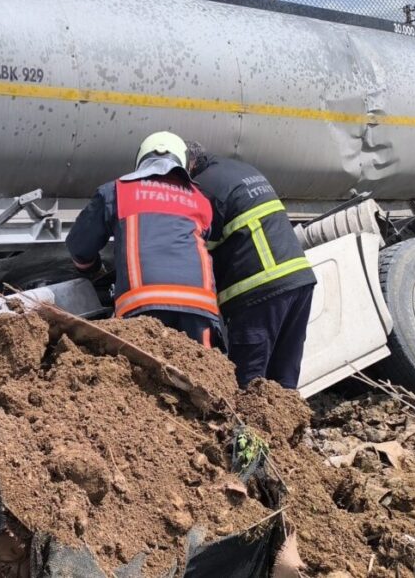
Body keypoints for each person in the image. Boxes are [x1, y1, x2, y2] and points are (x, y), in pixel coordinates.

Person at [66, 131, 220, 347]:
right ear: (182, 162)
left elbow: (79, 245)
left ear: (141, 159)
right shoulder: (200, 199)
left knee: (139, 376)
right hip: (200, 307)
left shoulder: (116, 191)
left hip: (142, 303)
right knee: (199, 372)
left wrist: (89, 268)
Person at [189, 143, 317, 389]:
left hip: (260, 289)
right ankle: (287, 425)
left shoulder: (205, 186)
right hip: (299, 277)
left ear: (189, 165)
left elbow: (198, 244)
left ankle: (247, 429)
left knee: (250, 380)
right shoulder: (240, 170)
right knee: (285, 374)